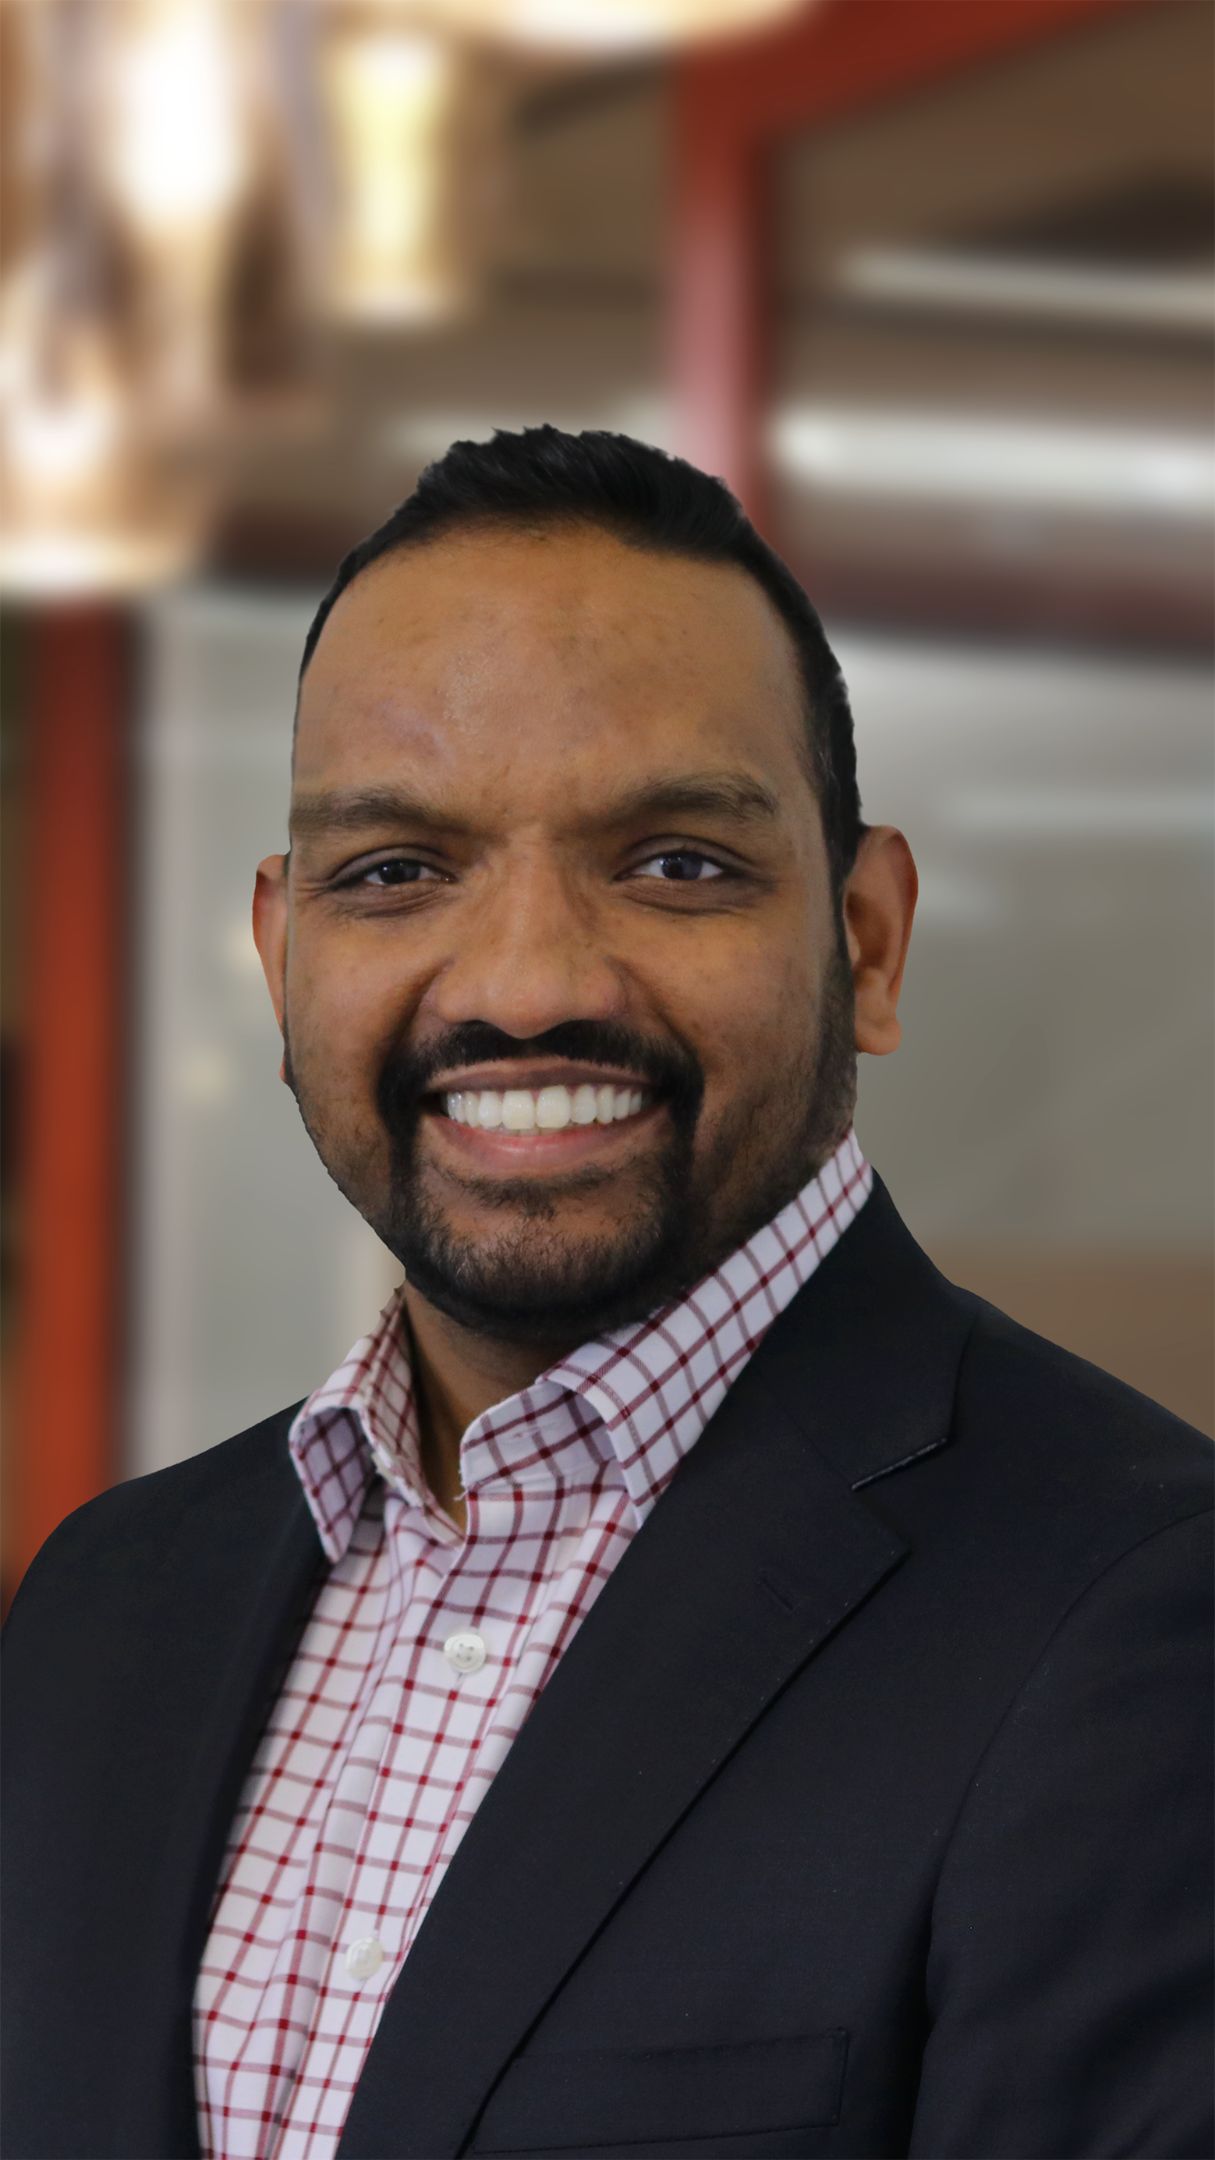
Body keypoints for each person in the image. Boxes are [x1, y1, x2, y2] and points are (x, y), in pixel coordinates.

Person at [3, 427, 1211, 2160]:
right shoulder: (108, 1604)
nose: (522, 985)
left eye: (675, 865)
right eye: (397, 871)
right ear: (283, 958)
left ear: (866, 943)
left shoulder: (1144, 1622)